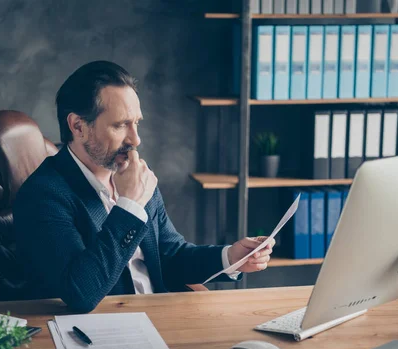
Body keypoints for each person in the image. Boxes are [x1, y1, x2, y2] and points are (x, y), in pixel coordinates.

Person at [14, 61, 275, 313]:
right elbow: (81, 293)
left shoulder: (137, 176)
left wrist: (231, 257)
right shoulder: (44, 195)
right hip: (98, 332)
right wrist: (129, 206)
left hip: (158, 317)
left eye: (136, 123)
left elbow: (171, 256)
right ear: (78, 126)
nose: (135, 139)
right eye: (120, 125)